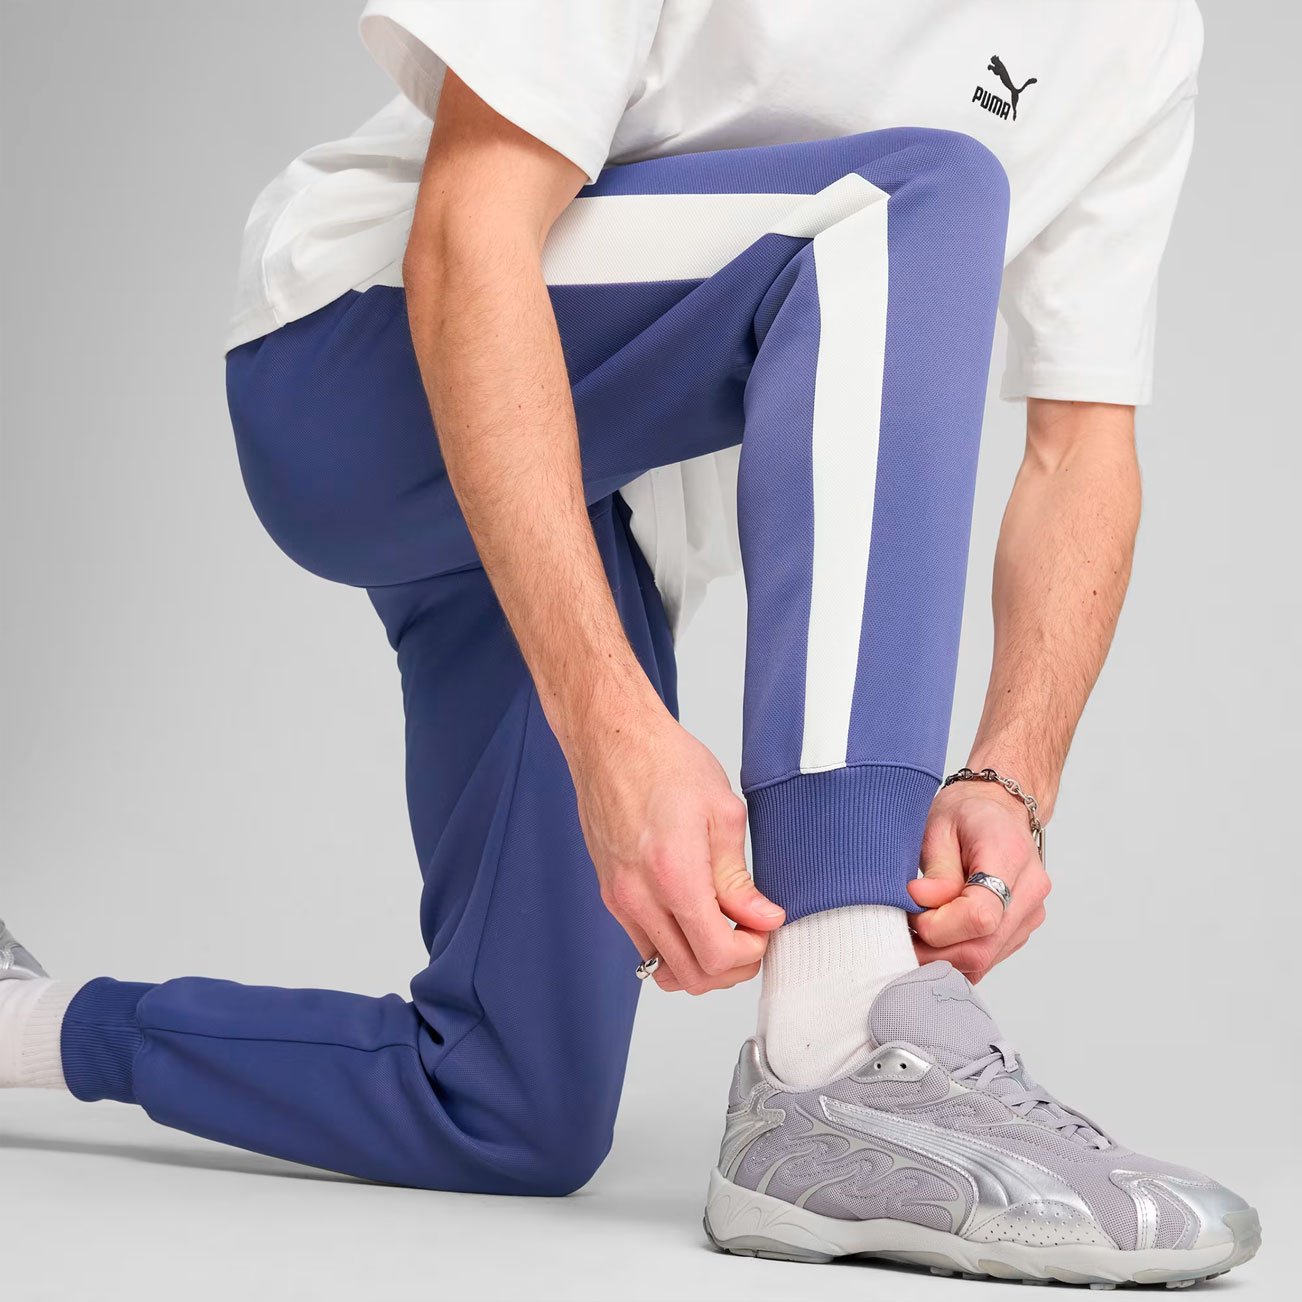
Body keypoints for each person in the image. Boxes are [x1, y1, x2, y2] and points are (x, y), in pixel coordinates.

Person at [0, 0, 1261, 1286]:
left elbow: (1082, 446)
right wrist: (611, 731)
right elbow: (471, 230)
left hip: (595, 497)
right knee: (918, 196)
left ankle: (24, 1027)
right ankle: (842, 1043)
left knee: (511, 1104)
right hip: (364, 356)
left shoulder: (1139, 34)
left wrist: (1012, 775)